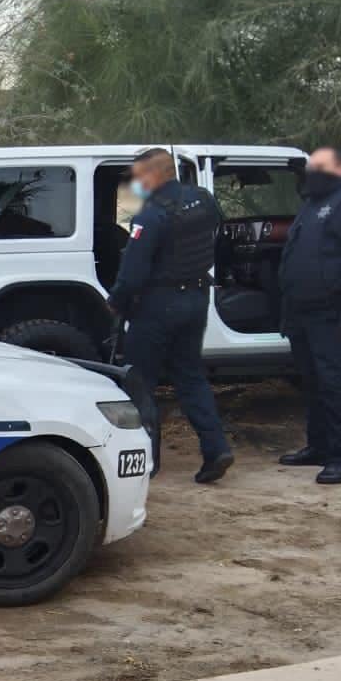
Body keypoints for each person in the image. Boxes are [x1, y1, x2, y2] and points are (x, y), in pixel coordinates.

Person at [108, 147, 233, 484]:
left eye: (140, 176)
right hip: (195, 299)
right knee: (191, 377)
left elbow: (133, 273)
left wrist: (116, 301)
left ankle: (146, 461)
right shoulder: (204, 201)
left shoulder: (150, 216)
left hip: (158, 305)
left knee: (141, 382)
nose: (137, 183)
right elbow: (219, 238)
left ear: (157, 174)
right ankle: (216, 448)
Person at [276, 147, 341, 485]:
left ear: (339, 167)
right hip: (301, 312)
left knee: (332, 384)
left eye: (319, 167)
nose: (312, 173)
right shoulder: (312, 204)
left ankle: (340, 457)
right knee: (311, 384)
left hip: (331, 313)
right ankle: (318, 446)